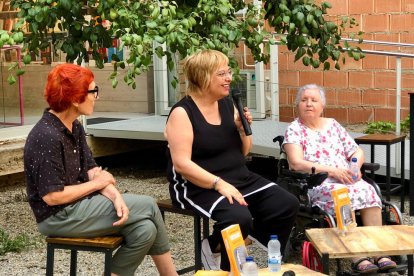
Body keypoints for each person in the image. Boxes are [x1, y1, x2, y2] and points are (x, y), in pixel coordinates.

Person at [24, 63, 178, 276]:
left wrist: (115, 196)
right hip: (58, 216)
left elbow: (92, 169)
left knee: (145, 230)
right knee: (149, 205)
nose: (97, 96)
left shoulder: (74, 125)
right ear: (75, 98)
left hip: (79, 206)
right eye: (93, 91)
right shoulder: (46, 136)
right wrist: (98, 184)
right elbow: (53, 197)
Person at [164, 49, 299, 271]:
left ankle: (234, 244)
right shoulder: (182, 113)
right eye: (222, 74)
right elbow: (182, 164)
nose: (229, 78)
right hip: (196, 185)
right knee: (238, 217)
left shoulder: (228, 104)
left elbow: (244, 152)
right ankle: (224, 261)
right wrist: (219, 183)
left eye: (229, 72)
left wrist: (242, 130)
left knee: (286, 204)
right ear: (203, 77)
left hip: (237, 176)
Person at [282, 84, 397, 274]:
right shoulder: (295, 129)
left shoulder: (333, 124)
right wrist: (333, 171)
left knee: (368, 189)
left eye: (314, 100)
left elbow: (357, 151)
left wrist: (354, 167)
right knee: (342, 195)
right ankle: (357, 256)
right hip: (318, 182)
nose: (309, 104)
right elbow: (296, 163)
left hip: (345, 178)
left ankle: (379, 252)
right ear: (298, 105)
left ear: (322, 105)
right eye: (304, 100)